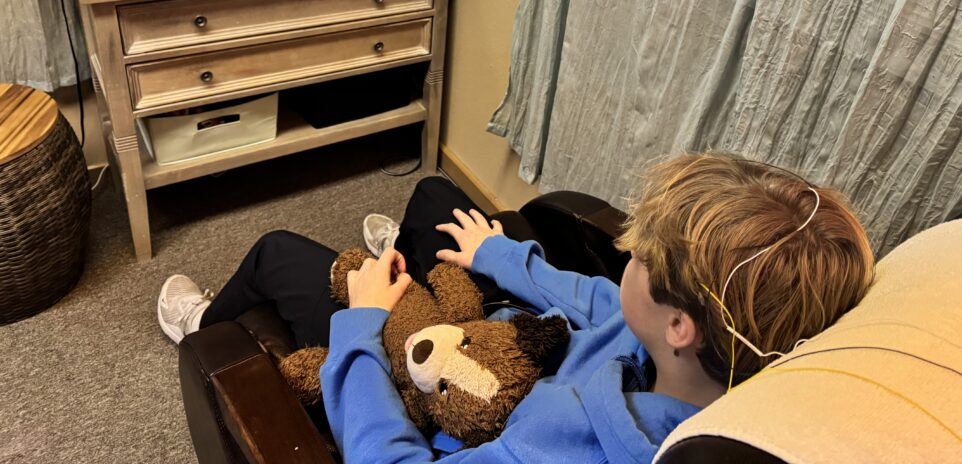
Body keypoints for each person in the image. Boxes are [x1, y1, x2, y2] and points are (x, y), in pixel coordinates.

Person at [158, 153, 875, 462]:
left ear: (680, 325)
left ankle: (206, 324)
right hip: (510, 341)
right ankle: (414, 256)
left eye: (640, 258)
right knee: (441, 203)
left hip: (430, 392)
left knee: (280, 250)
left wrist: (363, 326)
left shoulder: (568, 446)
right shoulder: (700, 361)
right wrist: (500, 259)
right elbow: (604, 304)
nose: (625, 256)